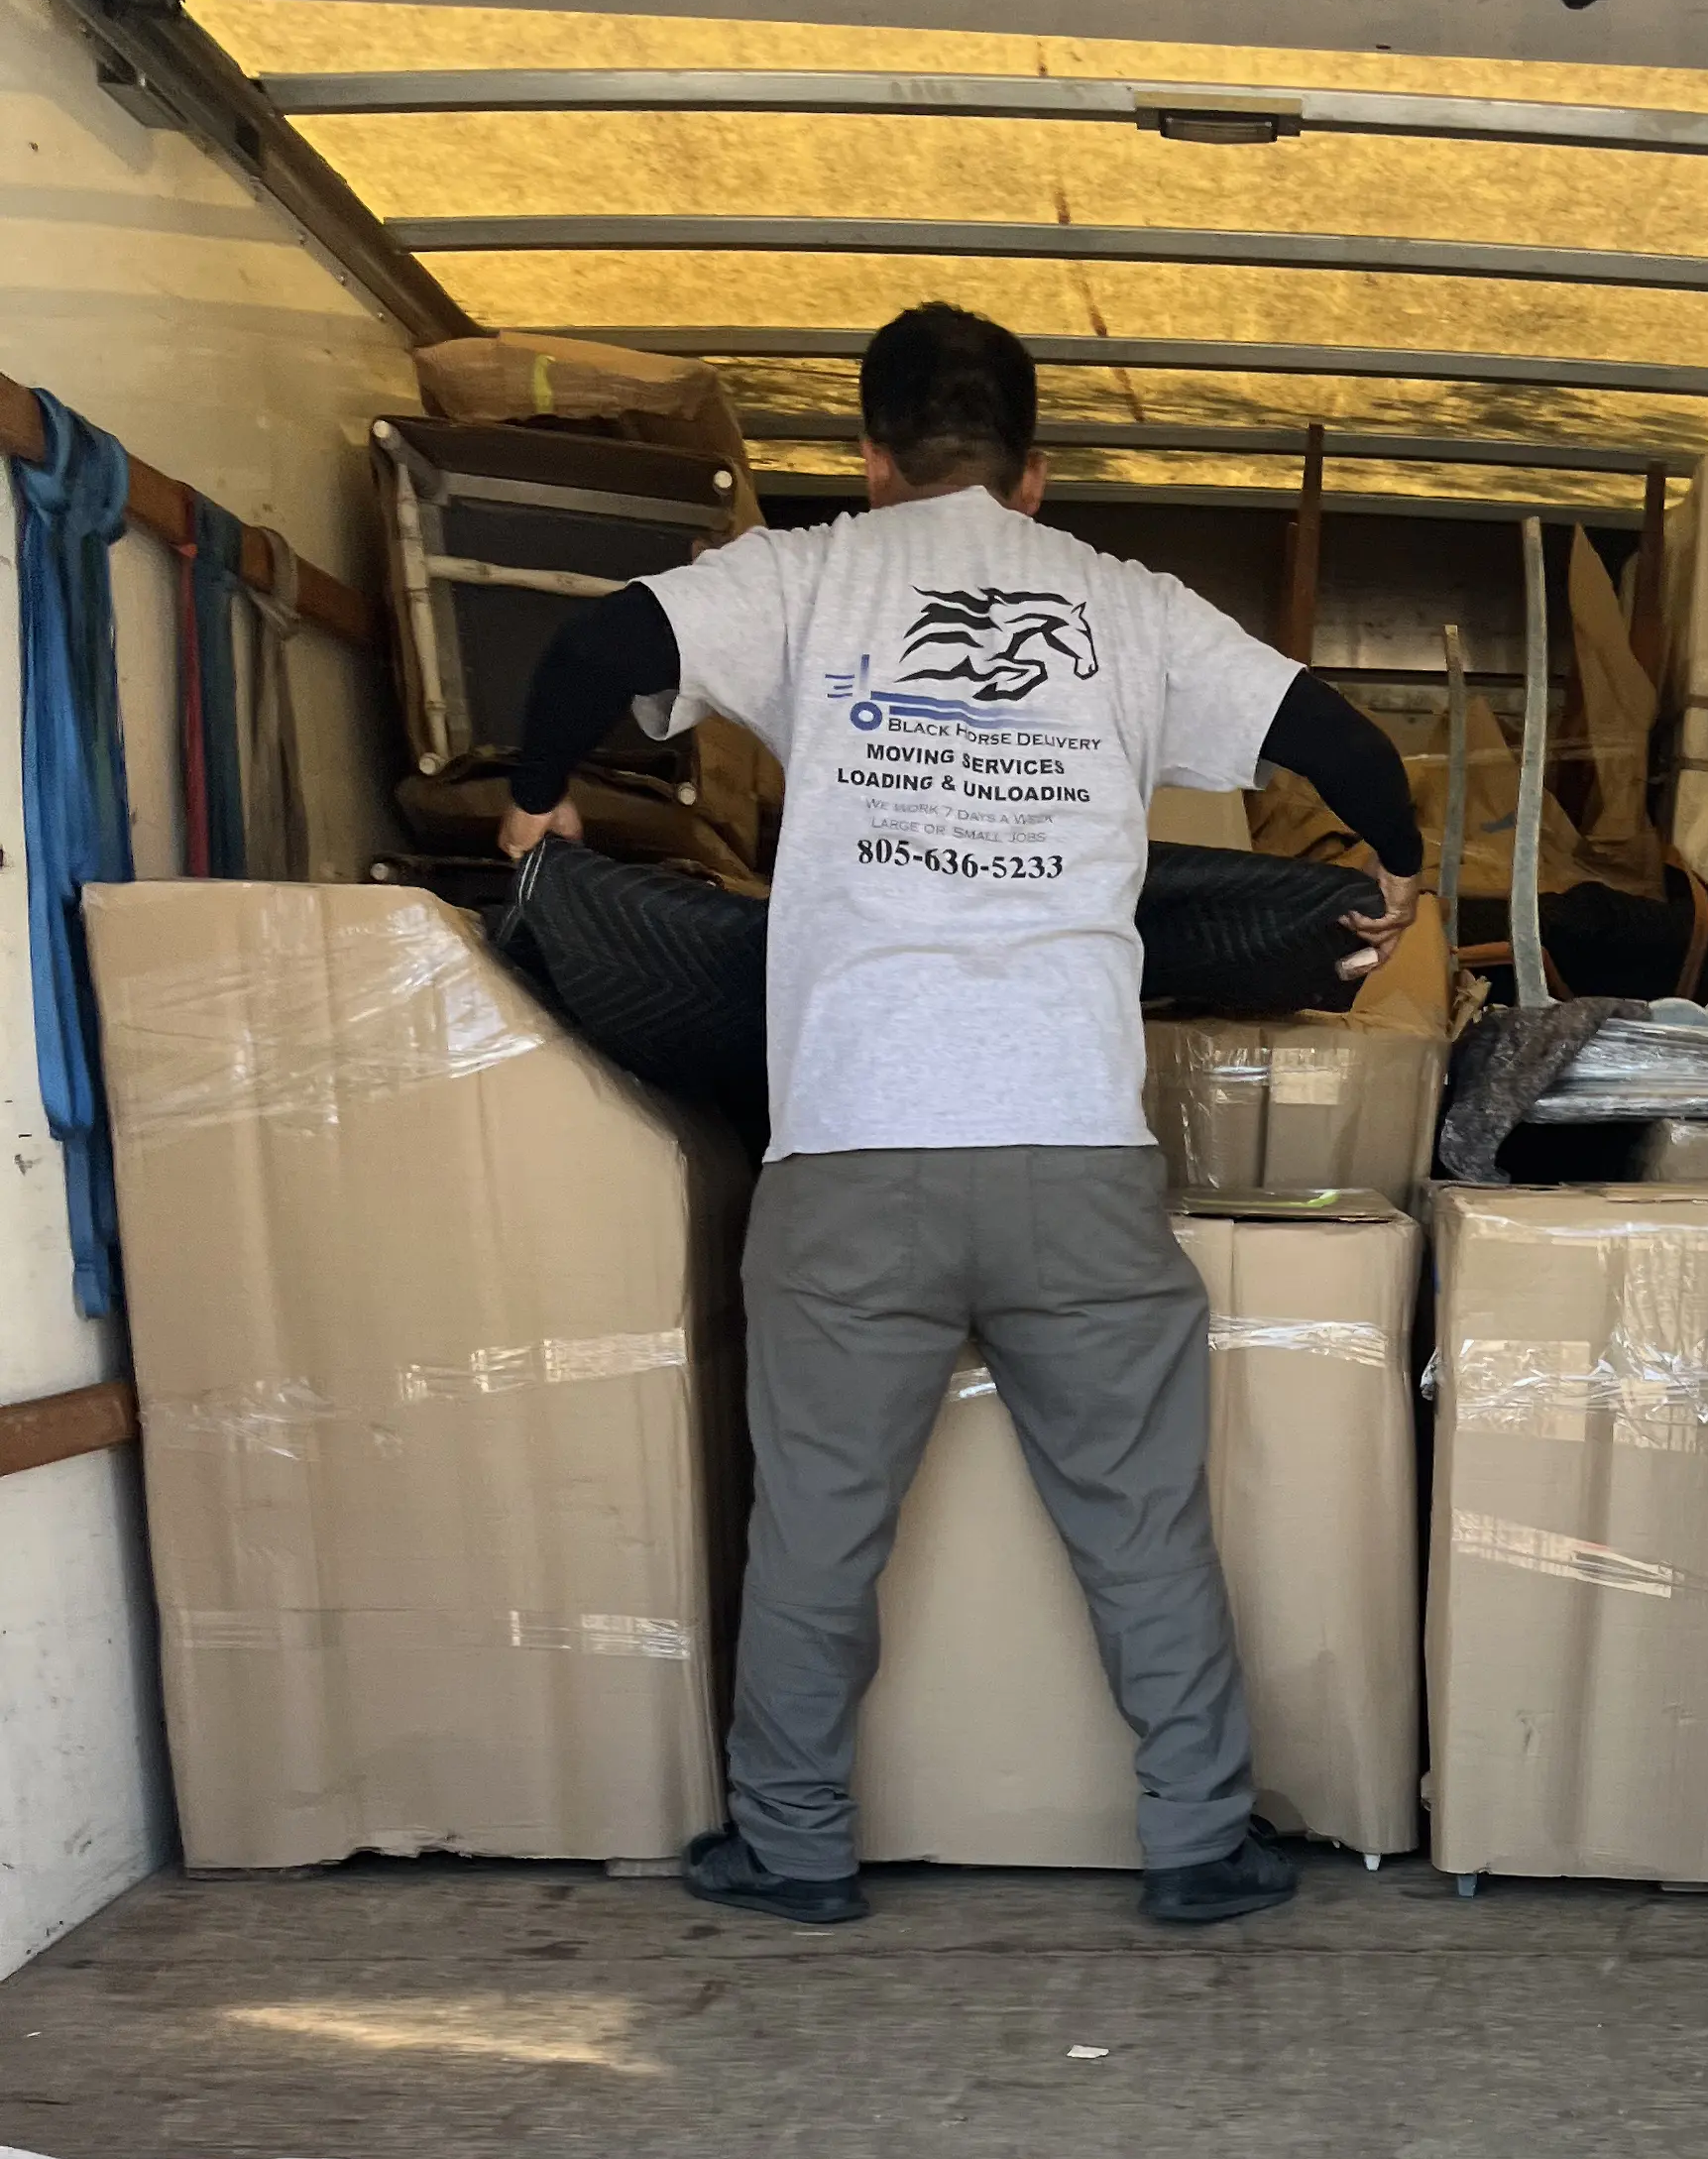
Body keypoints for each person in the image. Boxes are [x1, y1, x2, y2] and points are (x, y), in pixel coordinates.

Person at [500, 300, 1424, 1930]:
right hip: (1073, 1146)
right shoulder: (1131, 610)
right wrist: (1402, 861)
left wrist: (533, 799)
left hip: (853, 1150)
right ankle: (1200, 1843)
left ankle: (791, 1852)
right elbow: (1332, 735)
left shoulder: (803, 577)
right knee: (1140, 1517)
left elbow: (590, 656)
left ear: (869, 459)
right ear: (1036, 473)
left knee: (819, 1529)